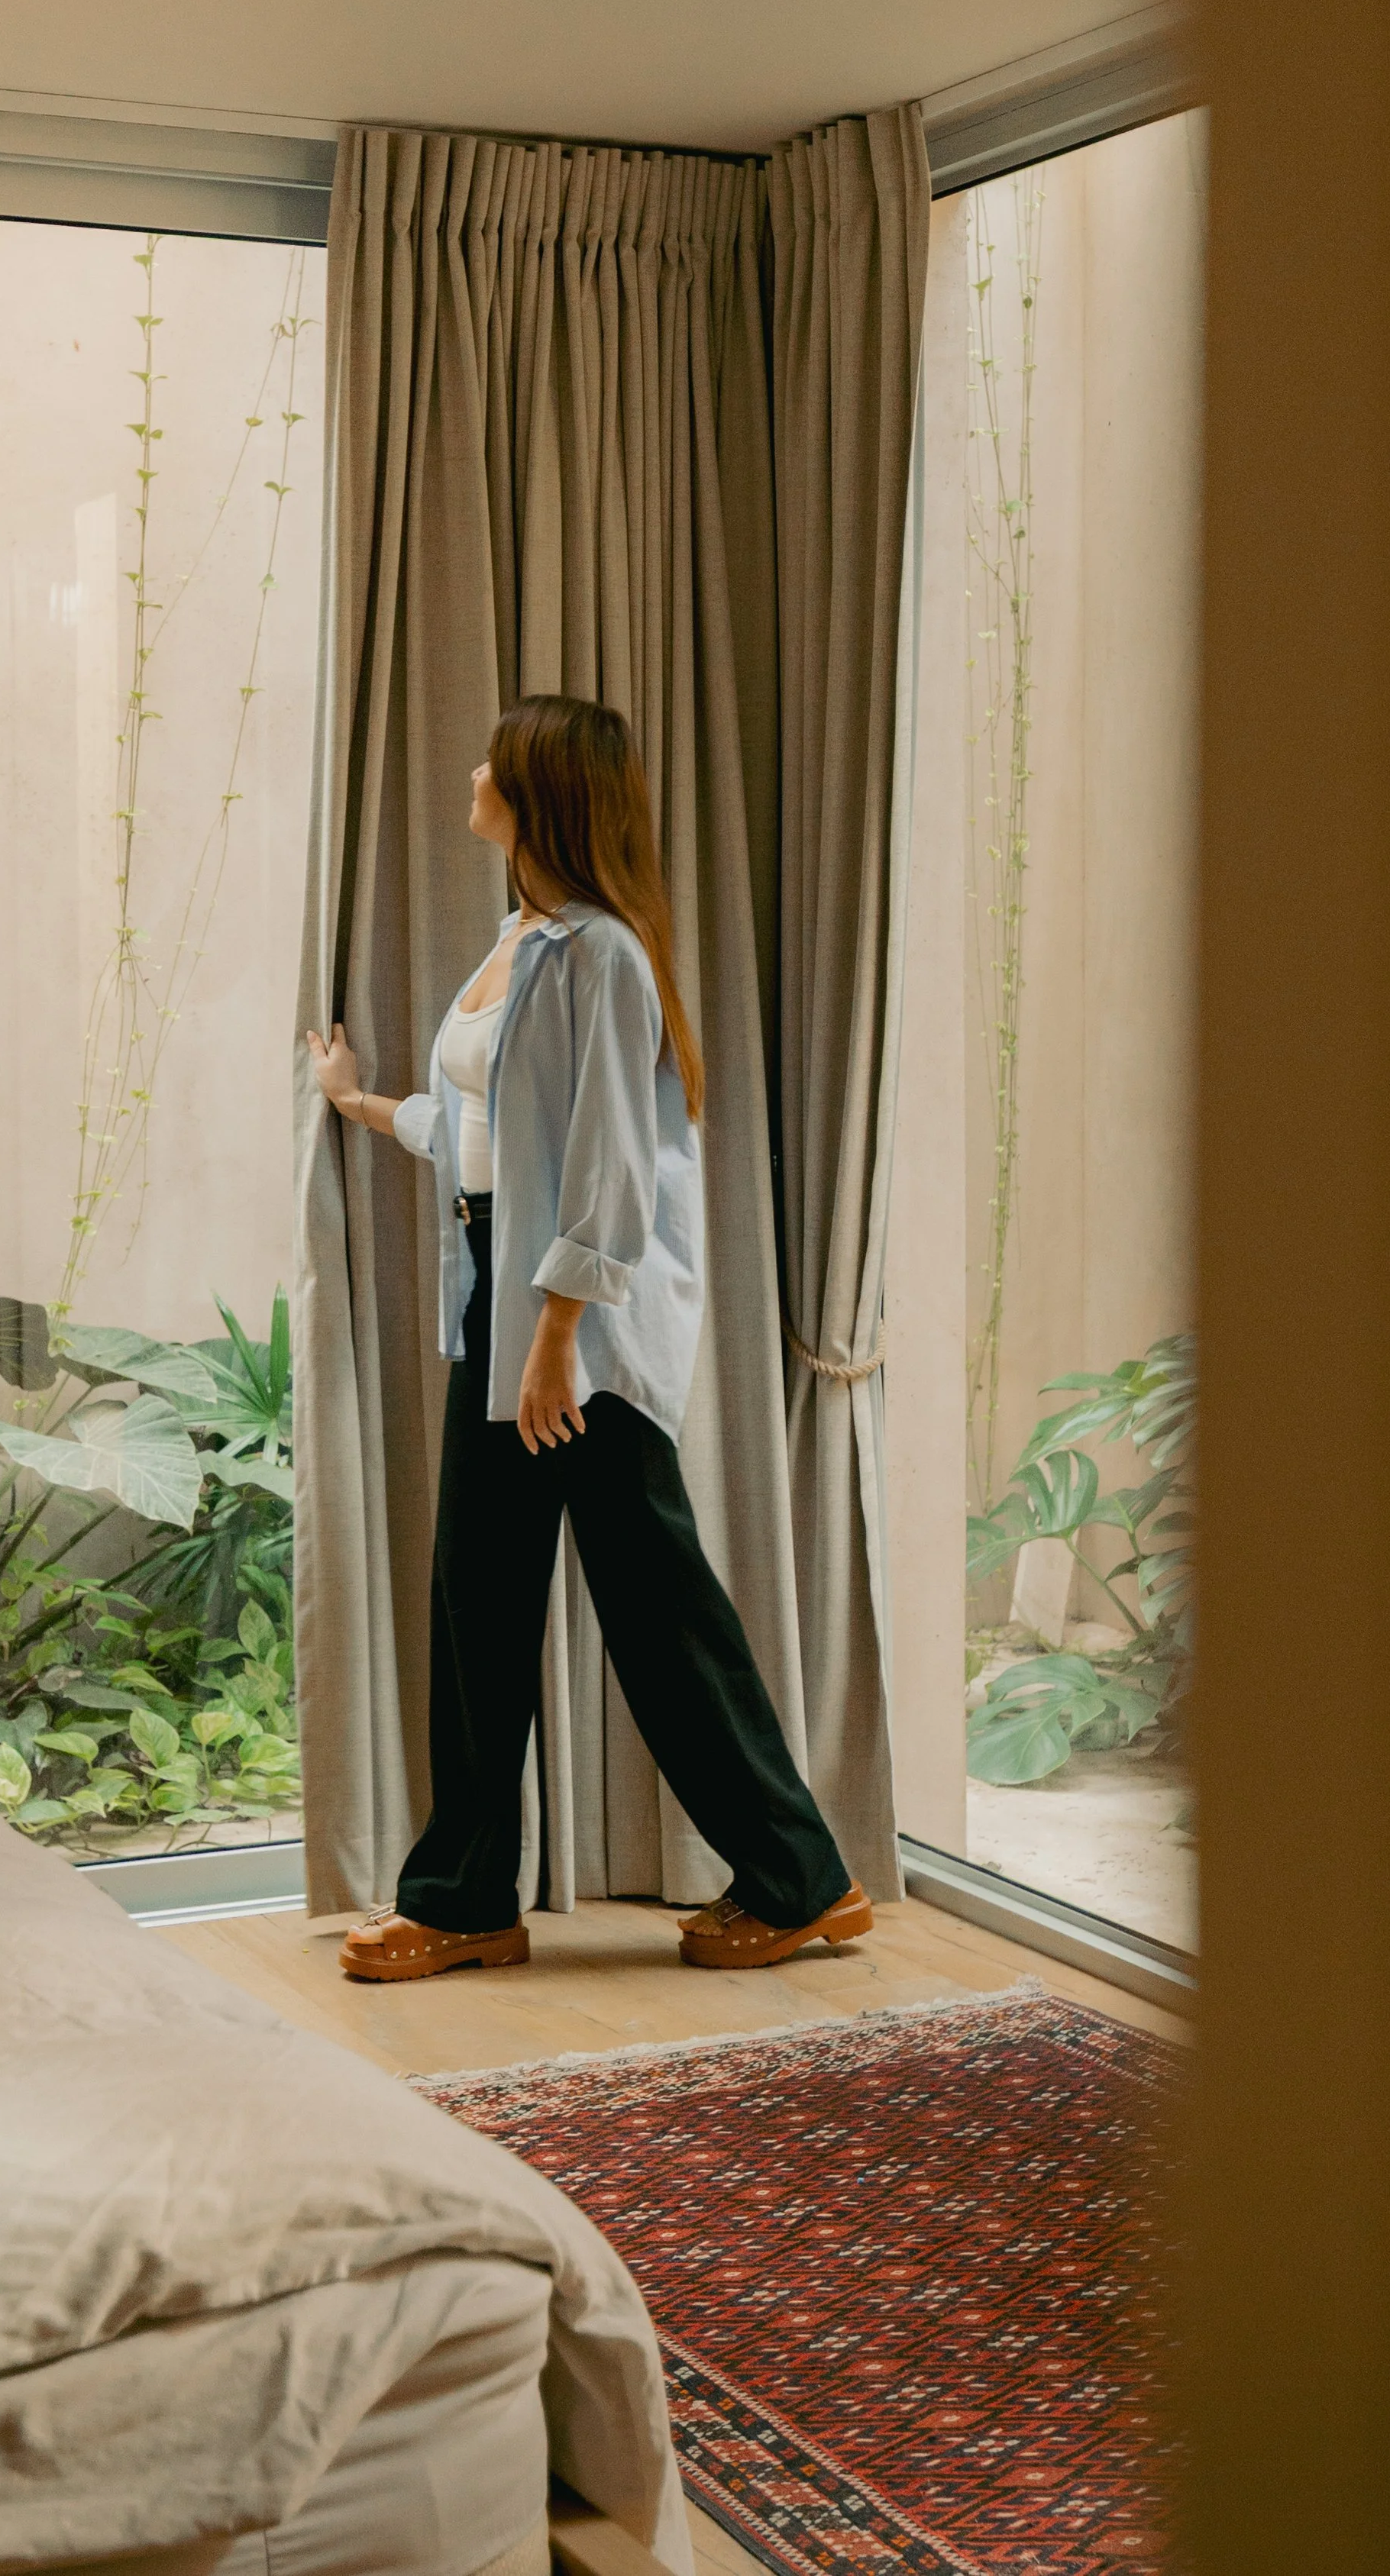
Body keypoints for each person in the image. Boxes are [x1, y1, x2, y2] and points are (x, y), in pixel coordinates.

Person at [306, 692, 869, 1983]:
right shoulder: (522, 935)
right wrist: (358, 1103)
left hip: (577, 1333)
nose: (474, 769)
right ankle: (465, 1901)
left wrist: (558, 1335)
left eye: (495, 761)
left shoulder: (606, 955)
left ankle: (804, 1882)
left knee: (659, 1613)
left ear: (540, 792)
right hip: (500, 1301)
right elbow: (483, 1133)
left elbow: (612, 1161)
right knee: (479, 1600)